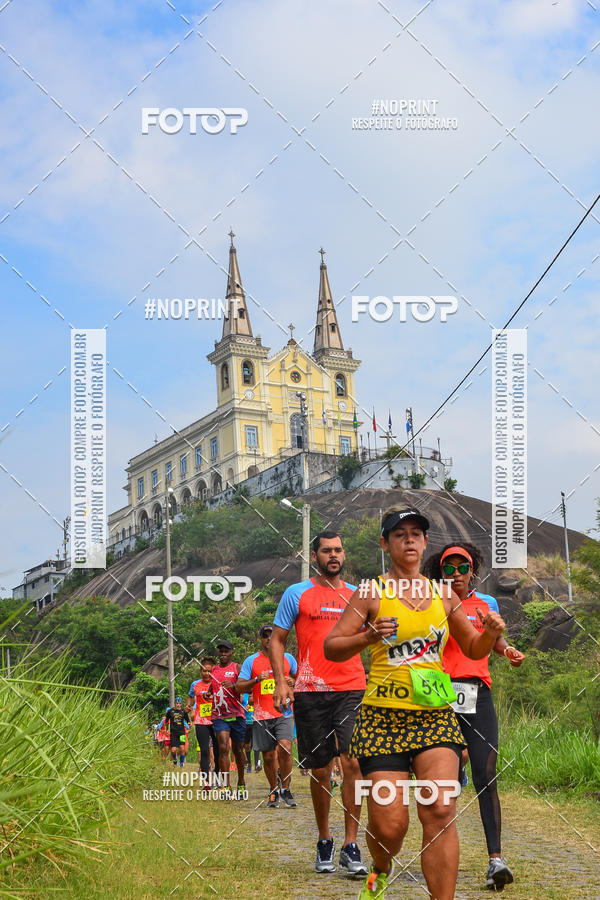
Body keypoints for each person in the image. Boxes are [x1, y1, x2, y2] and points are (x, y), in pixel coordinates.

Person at [323, 507, 506, 900]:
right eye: (400, 534)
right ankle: (378, 872)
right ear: (385, 543)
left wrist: (489, 634)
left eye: (416, 534)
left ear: (425, 543)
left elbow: (473, 647)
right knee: (390, 828)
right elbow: (333, 646)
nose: (409, 540)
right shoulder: (371, 592)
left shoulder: (443, 593)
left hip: (435, 715)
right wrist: (367, 637)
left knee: (440, 809)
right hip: (381, 719)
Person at [423, 542, 525, 891]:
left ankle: (496, 860)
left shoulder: (488, 603)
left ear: (472, 570)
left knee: (487, 774)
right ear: (439, 571)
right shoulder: (429, 602)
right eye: (447, 569)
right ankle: (440, 856)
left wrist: (507, 648)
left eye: (461, 568)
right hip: (439, 692)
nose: (455, 575)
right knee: (442, 784)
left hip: (478, 693)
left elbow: (494, 640)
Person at [271, 531, 368, 876]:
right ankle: (325, 839)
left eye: (338, 549)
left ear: (345, 555)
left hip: (352, 687)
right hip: (311, 690)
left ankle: (351, 844)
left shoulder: (357, 595)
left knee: (353, 764)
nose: (333, 555)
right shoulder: (297, 593)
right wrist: (282, 680)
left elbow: (371, 637)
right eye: (326, 550)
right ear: (314, 556)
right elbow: (277, 639)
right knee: (322, 769)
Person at [237, 624, 298, 808]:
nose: (269, 639)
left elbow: (301, 677)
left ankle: (285, 788)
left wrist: (293, 681)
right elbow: (239, 686)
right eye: (265, 635)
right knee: (269, 756)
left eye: (272, 635)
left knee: (286, 748)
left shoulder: (288, 659)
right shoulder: (251, 661)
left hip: (284, 712)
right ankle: (274, 789)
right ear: (261, 639)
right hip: (262, 715)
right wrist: (256, 680)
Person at [210, 640, 246, 790]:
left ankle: (241, 781)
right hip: (219, 715)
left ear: (232, 653)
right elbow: (213, 686)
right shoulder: (214, 669)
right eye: (221, 651)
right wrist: (208, 693)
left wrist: (234, 686)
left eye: (226, 651)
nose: (223, 654)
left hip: (237, 714)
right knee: (223, 747)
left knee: (238, 750)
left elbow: (245, 686)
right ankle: (226, 786)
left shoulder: (237, 667)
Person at [186, 658, 217, 779]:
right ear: (200, 671)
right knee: (204, 750)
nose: (207, 673)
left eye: (209, 671)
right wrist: (189, 705)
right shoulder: (195, 684)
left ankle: (218, 772)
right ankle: (206, 779)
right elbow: (190, 696)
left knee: (218, 750)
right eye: (204, 671)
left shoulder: (216, 683)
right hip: (201, 720)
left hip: (215, 719)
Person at [165, 698, 190, 767]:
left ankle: (182, 764)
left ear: (181, 704)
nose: (178, 705)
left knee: (182, 749)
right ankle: (175, 761)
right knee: (173, 750)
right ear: (175, 704)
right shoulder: (170, 711)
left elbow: (187, 719)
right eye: (177, 703)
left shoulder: (183, 711)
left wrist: (189, 723)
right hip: (173, 733)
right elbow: (166, 721)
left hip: (182, 733)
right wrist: (167, 729)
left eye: (179, 703)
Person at [241, 692, 262, 774]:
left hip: (256, 722)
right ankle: (249, 763)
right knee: (247, 745)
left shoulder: (257, 693)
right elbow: (239, 708)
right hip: (246, 723)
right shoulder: (243, 696)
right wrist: (244, 708)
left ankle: (257, 764)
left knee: (256, 745)